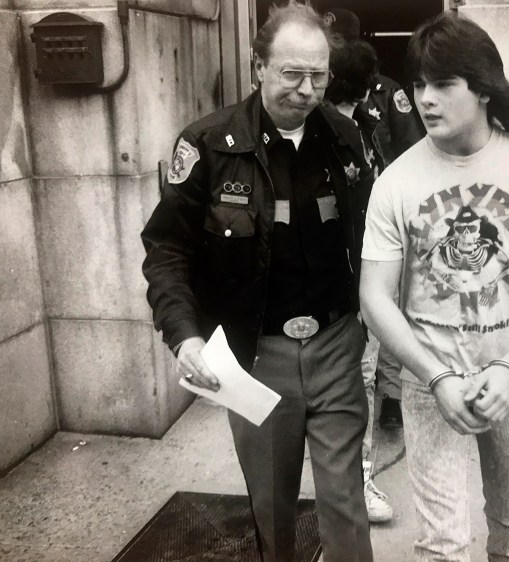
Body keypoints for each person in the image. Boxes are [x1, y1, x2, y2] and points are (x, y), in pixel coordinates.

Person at [140, 3, 374, 561]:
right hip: (255, 357)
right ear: (258, 67)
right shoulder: (207, 146)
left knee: (345, 501)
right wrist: (183, 335)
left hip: (337, 346)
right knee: (272, 505)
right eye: (292, 73)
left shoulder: (345, 138)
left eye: (319, 75)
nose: (307, 89)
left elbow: (372, 236)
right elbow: (166, 247)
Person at [360, 12, 509, 562]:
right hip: (428, 381)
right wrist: (434, 376)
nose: (424, 99)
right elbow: (373, 295)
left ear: (482, 88)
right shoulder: (398, 181)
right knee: (441, 545)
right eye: (418, 85)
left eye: (442, 84)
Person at [322, 6, 425, 432]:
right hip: (351, 233)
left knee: (389, 318)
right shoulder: (321, 108)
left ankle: (392, 398)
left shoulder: (386, 91)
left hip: (386, 220)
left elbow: (410, 148)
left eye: (338, 45)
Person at [323, 36, 393, 523]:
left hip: (368, 273)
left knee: (365, 374)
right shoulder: (320, 133)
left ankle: (358, 474)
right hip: (333, 282)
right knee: (354, 379)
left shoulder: (368, 127)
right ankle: (353, 477)